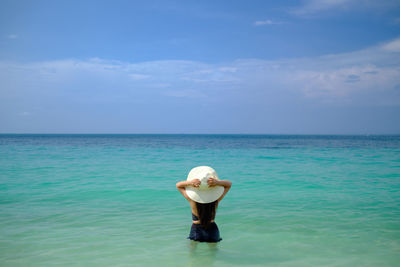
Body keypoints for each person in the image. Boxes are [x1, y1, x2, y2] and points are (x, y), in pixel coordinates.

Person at [176, 166, 232, 243]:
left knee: (193, 253)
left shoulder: (192, 199)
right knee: (213, 252)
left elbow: (178, 185)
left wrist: (190, 182)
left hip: (196, 229)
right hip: (212, 228)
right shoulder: (216, 199)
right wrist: (217, 182)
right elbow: (229, 184)